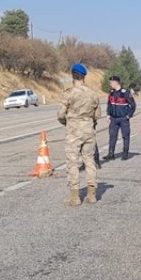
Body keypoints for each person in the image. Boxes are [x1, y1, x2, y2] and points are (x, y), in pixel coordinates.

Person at [57, 63, 104, 206]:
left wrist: (68, 122)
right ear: (84, 77)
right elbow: (98, 115)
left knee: (72, 162)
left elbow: (60, 114)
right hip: (89, 129)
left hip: (73, 130)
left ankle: (75, 196)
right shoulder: (93, 94)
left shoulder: (69, 93)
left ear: (72, 76)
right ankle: (92, 195)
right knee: (89, 160)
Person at [105, 75, 137, 161]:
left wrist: (128, 116)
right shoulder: (111, 92)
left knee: (125, 136)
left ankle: (125, 153)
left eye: (111, 82)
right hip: (113, 119)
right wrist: (108, 114)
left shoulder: (125, 93)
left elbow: (133, 106)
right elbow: (109, 104)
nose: (110, 84)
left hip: (123, 119)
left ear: (116, 83)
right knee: (112, 136)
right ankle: (111, 153)